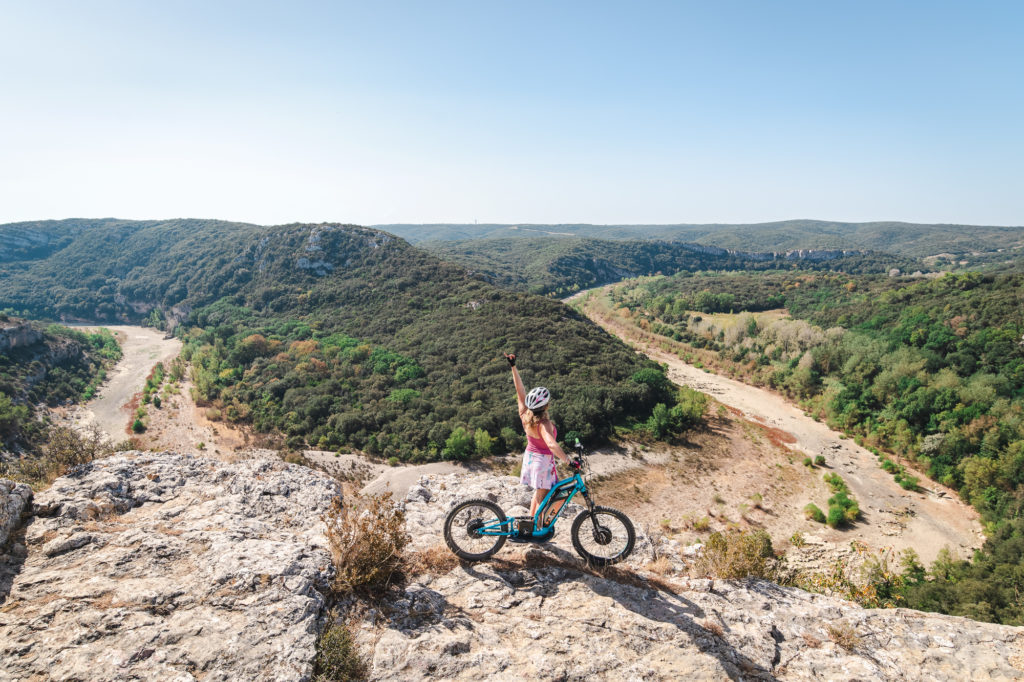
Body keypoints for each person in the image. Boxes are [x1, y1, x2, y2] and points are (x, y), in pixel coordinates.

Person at [503, 353, 576, 537]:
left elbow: (520, 391)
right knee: (543, 496)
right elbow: (551, 445)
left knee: (539, 493)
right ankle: (535, 530)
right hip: (542, 462)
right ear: (545, 406)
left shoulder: (525, 415)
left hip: (530, 458)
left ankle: (532, 523)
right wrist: (568, 461)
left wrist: (513, 366)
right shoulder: (544, 425)